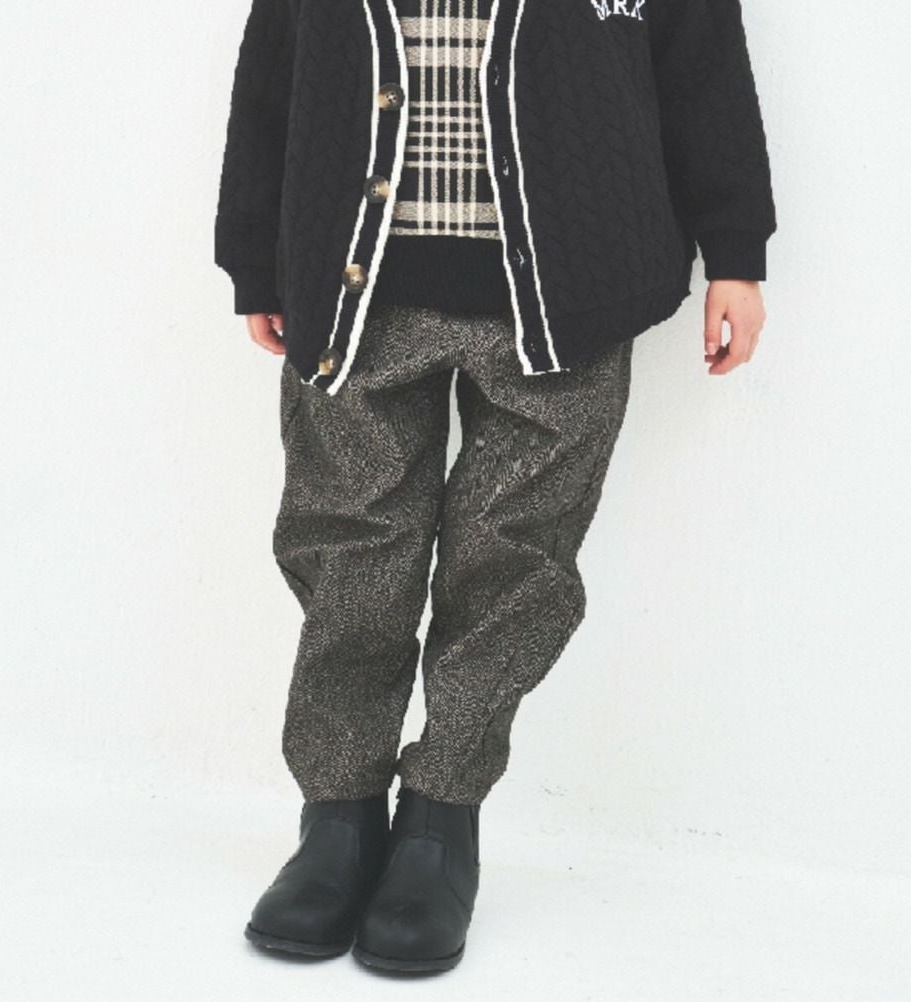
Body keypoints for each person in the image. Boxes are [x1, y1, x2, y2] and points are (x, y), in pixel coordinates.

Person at [214, 0, 776, 974]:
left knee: (512, 566)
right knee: (349, 552)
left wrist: (736, 250)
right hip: (356, 285)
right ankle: (338, 817)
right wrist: (255, 251)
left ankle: (441, 820)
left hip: (569, 290)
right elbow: (275, 60)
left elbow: (701, 58)